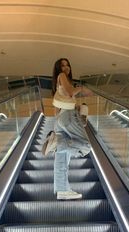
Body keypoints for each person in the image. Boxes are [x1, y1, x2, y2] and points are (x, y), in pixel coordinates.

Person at [42, 58, 91, 200]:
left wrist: (57, 125)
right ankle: (58, 142)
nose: (66, 67)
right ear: (58, 69)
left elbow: (57, 109)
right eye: (62, 65)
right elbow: (70, 92)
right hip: (68, 116)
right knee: (86, 146)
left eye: (67, 65)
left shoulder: (58, 85)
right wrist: (82, 89)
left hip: (61, 118)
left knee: (62, 156)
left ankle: (62, 189)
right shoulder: (62, 77)